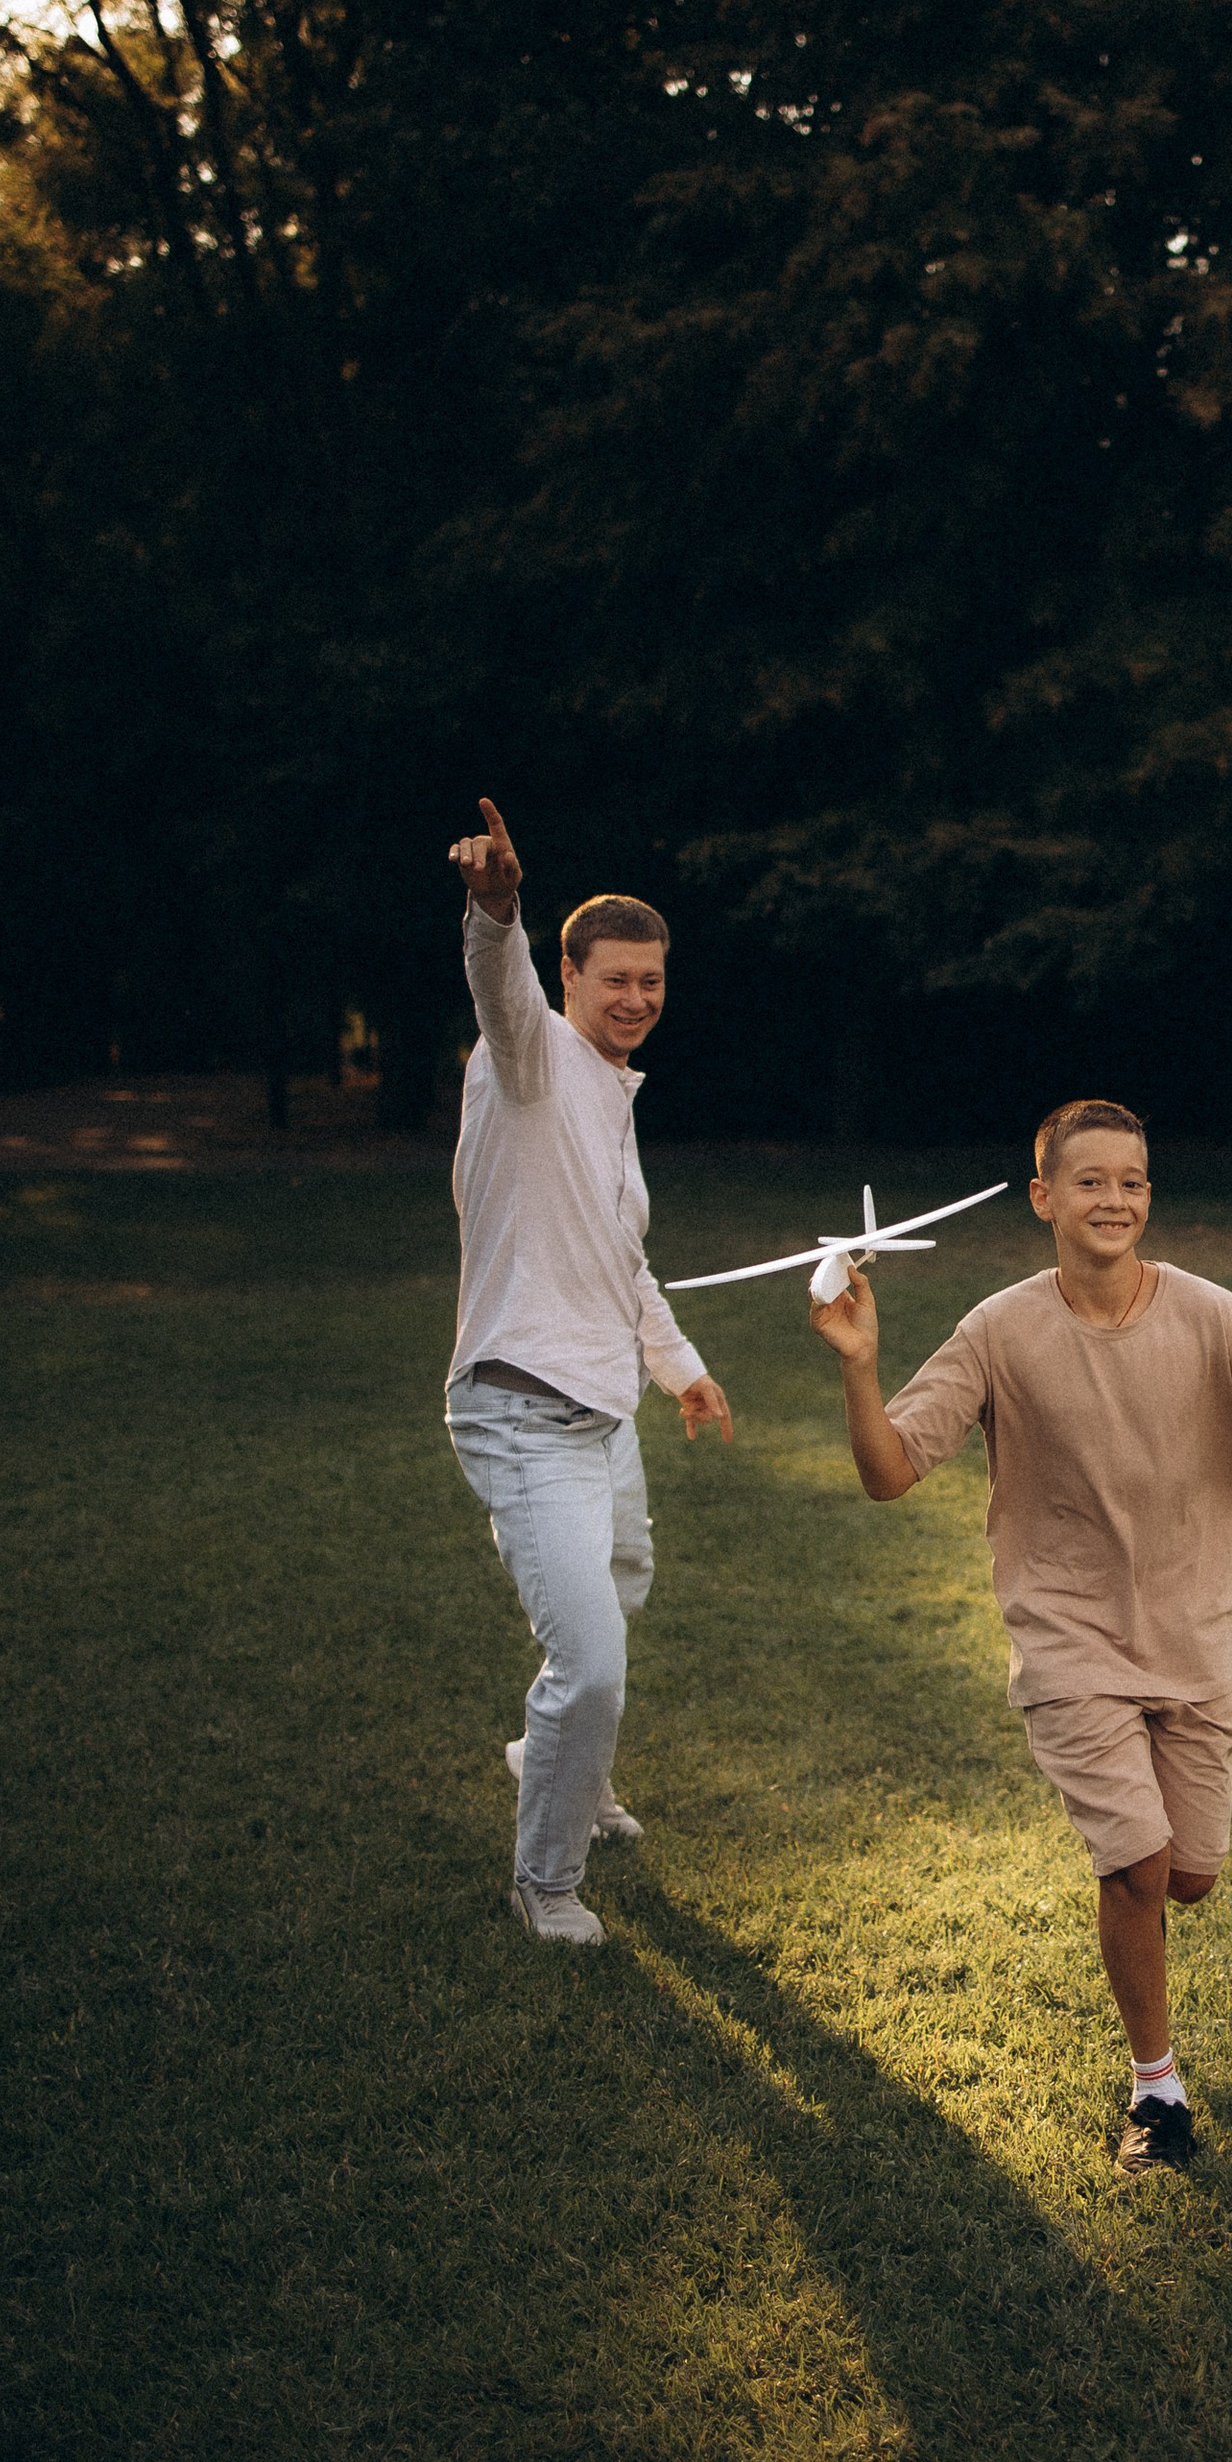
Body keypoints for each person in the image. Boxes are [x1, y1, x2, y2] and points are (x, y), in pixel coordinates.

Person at [811, 1099, 1232, 2177]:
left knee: (1188, 1877)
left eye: (1131, 1181)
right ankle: (1157, 2091)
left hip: (1196, 1633)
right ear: (1043, 1199)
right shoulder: (998, 1330)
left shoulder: (1215, 1319)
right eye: (1088, 1181)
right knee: (1133, 1862)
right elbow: (889, 1474)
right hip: (1067, 1633)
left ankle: (1150, 1933)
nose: (1112, 1199)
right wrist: (857, 1363)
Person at [444, 796, 733, 1946]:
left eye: (652, 981)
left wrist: (682, 1372)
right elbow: (497, 983)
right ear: (567, 973)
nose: (636, 999)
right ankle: (545, 1880)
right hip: (520, 1409)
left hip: (605, 1416)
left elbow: (622, 1261)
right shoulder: (527, 1059)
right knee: (593, 1663)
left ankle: (557, 1762)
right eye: (615, 978)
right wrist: (495, 904)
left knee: (621, 1589)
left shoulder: (612, 1099)